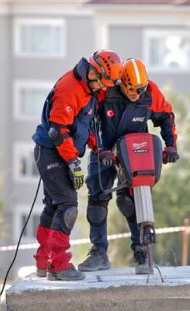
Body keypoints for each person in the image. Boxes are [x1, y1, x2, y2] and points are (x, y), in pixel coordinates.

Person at [78, 57, 179, 275]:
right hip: (104, 152)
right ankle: (98, 253)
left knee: (132, 200)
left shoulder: (150, 92)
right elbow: (89, 120)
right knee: (97, 200)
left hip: (134, 150)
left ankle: (142, 251)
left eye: (140, 92)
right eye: (133, 91)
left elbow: (166, 116)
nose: (137, 96)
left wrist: (171, 145)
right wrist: (99, 147)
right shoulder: (106, 92)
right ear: (122, 83)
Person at [31, 49, 124, 281]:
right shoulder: (70, 88)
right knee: (68, 207)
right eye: (103, 82)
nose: (104, 88)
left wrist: (99, 148)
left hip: (62, 152)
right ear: (94, 73)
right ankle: (59, 266)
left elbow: (84, 126)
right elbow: (58, 131)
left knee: (54, 206)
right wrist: (73, 162)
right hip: (52, 152)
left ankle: (44, 262)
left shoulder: (88, 89)